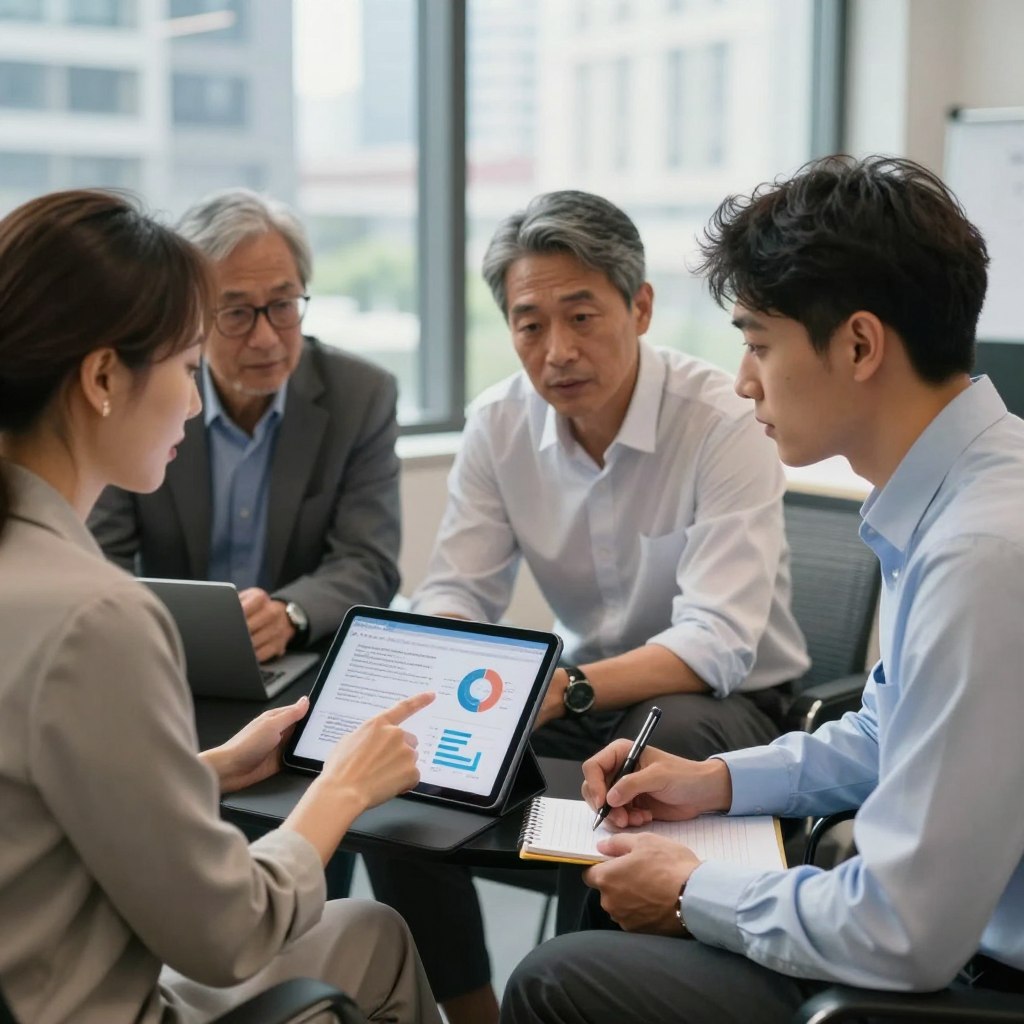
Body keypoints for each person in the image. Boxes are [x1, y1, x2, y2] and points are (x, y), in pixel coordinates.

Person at [499, 155, 1024, 1024]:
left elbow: (905, 930)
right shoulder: (972, 489)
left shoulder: (980, 553)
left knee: (558, 980)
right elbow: (894, 732)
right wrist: (716, 782)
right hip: (954, 948)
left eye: (756, 343)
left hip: (971, 987)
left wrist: (693, 889)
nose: (744, 382)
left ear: (859, 344)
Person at [364, 190, 809, 1024]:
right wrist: (448, 673)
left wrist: (556, 691)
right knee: (400, 770)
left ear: (639, 307)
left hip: (728, 708)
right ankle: (470, 1013)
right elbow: (456, 591)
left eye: (582, 315)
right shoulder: (497, 424)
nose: (557, 351)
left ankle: (580, 997)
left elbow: (716, 642)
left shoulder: (721, 420)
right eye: (530, 325)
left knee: (650, 747)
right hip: (582, 694)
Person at [0, 189, 441, 1024]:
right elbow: (229, 933)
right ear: (101, 377)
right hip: (101, 996)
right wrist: (339, 790)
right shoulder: (97, 618)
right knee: (374, 930)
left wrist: (206, 770)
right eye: (184, 362)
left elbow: (35, 817)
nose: (196, 399)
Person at [88, 188, 401, 664]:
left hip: (301, 659)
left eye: (283, 305)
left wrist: (290, 613)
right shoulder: (142, 395)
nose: (266, 338)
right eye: (236, 313)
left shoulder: (361, 395)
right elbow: (99, 556)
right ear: (190, 316)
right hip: (165, 655)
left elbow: (367, 560)